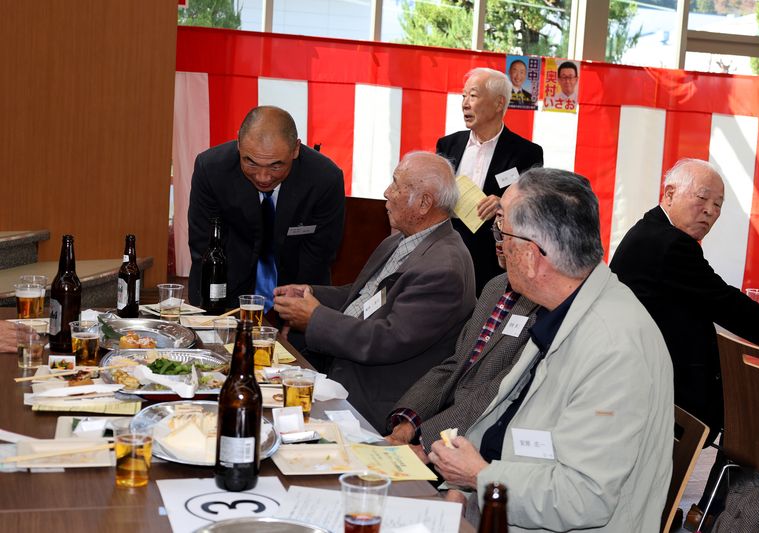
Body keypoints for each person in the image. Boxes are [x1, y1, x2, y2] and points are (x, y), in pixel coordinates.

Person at [428, 168, 674, 532]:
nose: (499, 245)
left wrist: (478, 478)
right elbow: (502, 418)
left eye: (502, 231)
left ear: (531, 255)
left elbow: (584, 498)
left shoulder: (614, 347)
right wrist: (460, 488)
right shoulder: (564, 306)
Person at [273, 151, 476, 429]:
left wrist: (314, 318)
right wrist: (311, 293)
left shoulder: (443, 269)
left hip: (374, 398)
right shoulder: (402, 241)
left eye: (396, 185)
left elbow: (387, 339)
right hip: (340, 368)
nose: (386, 193)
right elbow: (365, 296)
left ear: (424, 203)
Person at [610, 158, 759, 442]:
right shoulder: (669, 243)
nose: (711, 210)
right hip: (662, 399)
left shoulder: (650, 230)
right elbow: (725, 303)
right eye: (702, 198)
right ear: (670, 194)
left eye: (718, 204)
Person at [385, 229, 540, 455]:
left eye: (506, 231)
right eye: (497, 228)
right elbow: (455, 365)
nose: (499, 241)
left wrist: (426, 444)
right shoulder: (495, 287)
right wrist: (406, 424)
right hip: (443, 426)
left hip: (480, 441)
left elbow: (496, 391)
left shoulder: (544, 306)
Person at [187, 106, 345, 310]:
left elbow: (319, 256)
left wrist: (297, 311)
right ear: (239, 143)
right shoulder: (211, 169)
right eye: (250, 163)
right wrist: (219, 310)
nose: (263, 177)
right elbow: (204, 245)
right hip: (222, 291)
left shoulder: (324, 179)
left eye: (275, 166)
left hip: (297, 294)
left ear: (296, 149)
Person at [437, 67, 543, 296]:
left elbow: (533, 208)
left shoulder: (526, 153)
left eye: (473, 96)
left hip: (492, 262)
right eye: (463, 96)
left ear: (498, 103)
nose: (465, 103)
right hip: (446, 254)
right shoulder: (447, 145)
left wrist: (504, 204)